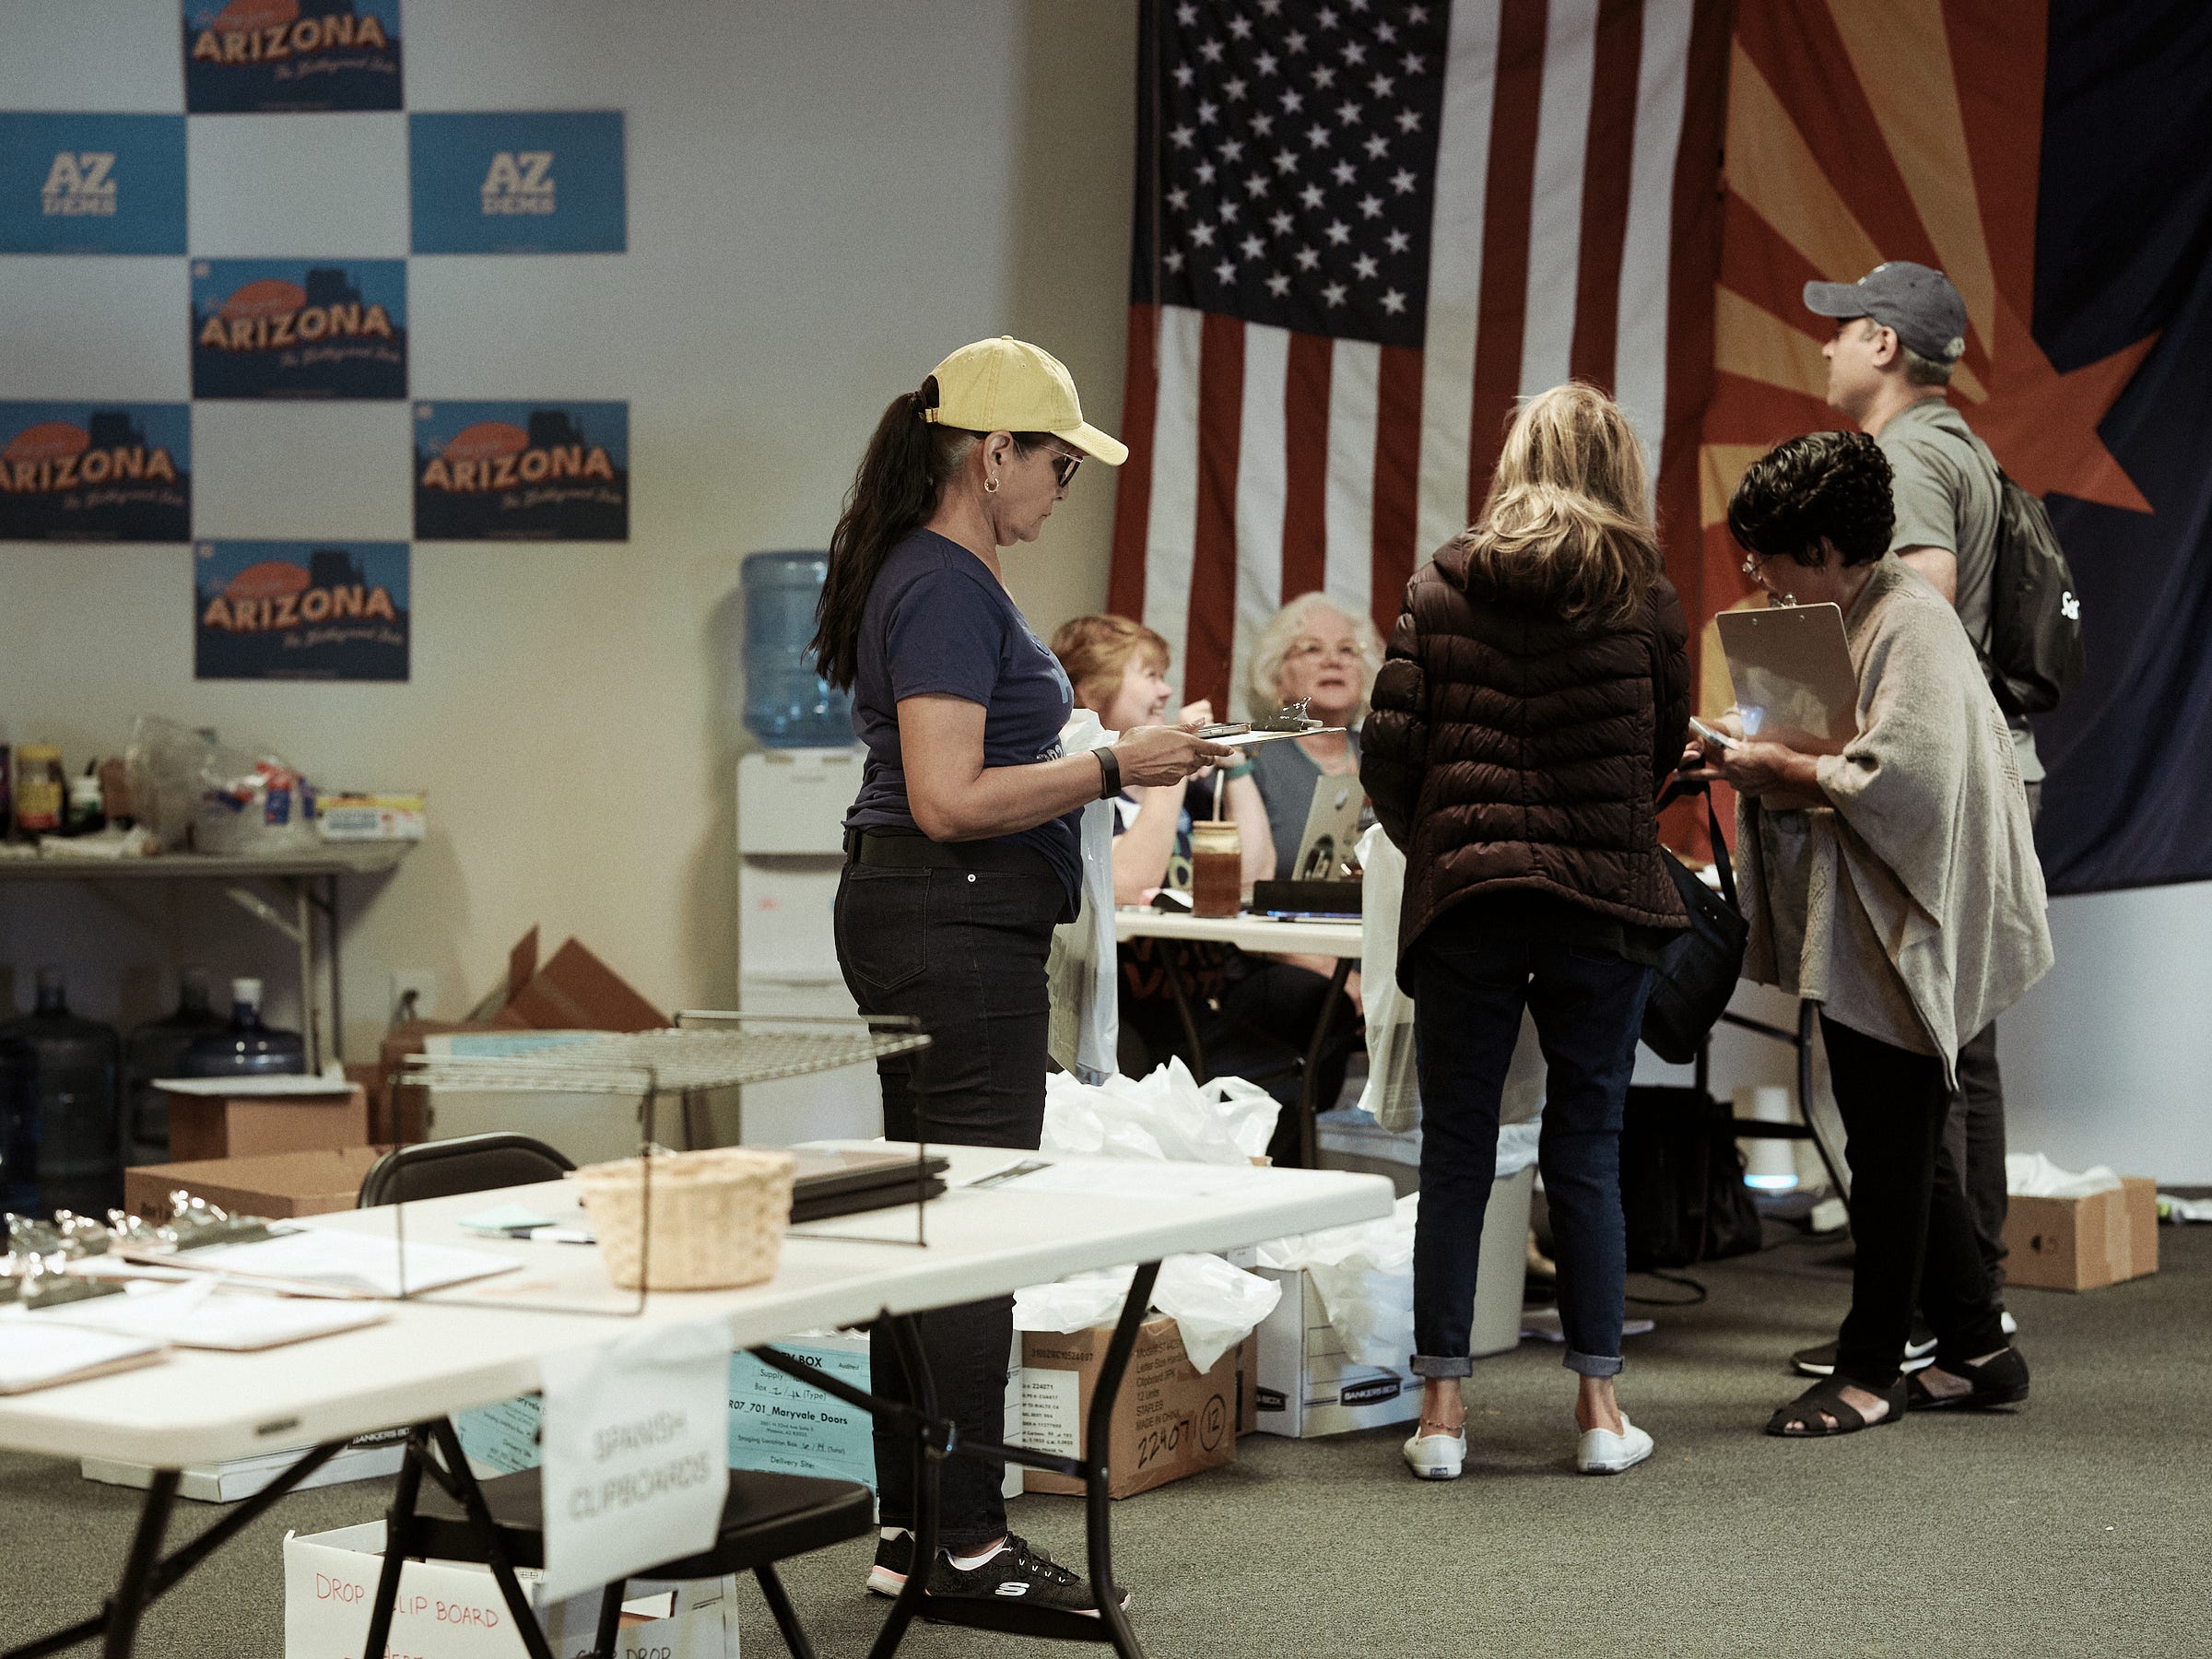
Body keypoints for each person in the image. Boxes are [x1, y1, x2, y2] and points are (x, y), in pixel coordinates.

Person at [814, 336, 1227, 1612]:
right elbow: (948, 797)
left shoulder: (929, 570)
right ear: (990, 455)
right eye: (1054, 462)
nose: (1062, 487)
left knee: (931, 1232)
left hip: (929, 920)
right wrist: (1118, 767)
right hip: (955, 921)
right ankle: (970, 1546)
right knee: (970, 1236)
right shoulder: (943, 583)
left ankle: (914, 1535)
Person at [1689, 429, 2053, 1438]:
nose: (1756, 575)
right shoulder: (1848, 609)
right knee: (1902, 1135)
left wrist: (1781, 771)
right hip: (1873, 913)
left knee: (1891, 1144)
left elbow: (1908, 781)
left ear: (1825, 545)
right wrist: (1737, 744)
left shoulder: (1911, 621)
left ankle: (1869, 1372)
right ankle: (1980, 1348)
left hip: (1910, 918)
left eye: (1768, 554)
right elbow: (1822, 732)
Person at [1363, 383, 1690, 1481]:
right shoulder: (1645, 595)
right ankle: (1600, 1413)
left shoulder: (1442, 581)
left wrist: (1454, 846)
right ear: (1618, 470)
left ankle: (1441, 1419)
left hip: (1470, 900)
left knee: (1456, 1151)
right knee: (1585, 1150)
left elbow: (1387, 757)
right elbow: (1662, 750)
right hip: (1602, 900)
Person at [1802, 261, 2030, 1361]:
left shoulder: (1906, 458)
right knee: (1956, 1047)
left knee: (1922, 1052)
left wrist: (1814, 732)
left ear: (1886, 344)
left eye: (1843, 329)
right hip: (1988, 767)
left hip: (1929, 784)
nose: (1828, 346)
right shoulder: (1968, 447)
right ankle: (1968, 1306)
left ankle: (1949, 1311)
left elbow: (1919, 596)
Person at [1053, 615, 1335, 1161]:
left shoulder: (1187, 797)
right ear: (1092, 691)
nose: (1165, 689)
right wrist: (1171, 773)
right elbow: (1129, 882)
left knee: (1293, 1046)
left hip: (1196, 996)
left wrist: (1239, 771)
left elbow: (1252, 877)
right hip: (1122, 1009)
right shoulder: (1080, 784)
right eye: (1150, 674)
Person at [1243, 594, 1384, 880]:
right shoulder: (1252, 760)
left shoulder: (1386, 757)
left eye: (1347, 650)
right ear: (1277, 675)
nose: (1333, 661)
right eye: (1312, 649)